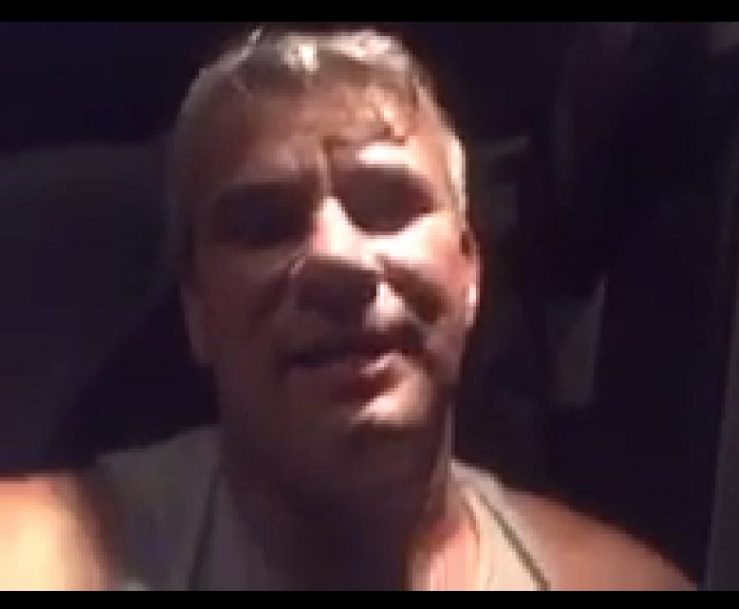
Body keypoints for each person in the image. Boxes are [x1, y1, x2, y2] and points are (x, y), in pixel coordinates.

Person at [0, 28, 692, 590]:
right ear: (198, 310)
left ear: (470, 273)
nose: (339, 262)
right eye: (264, 226)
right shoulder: (36, 556)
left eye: (388, 207)